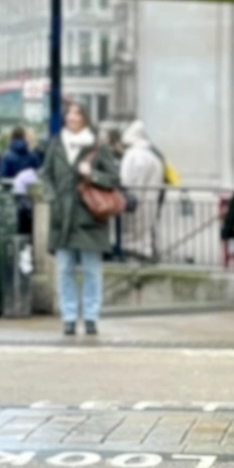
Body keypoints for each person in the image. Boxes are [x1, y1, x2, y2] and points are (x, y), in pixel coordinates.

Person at [40, 101, 120, 336]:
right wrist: (52, 198)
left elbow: (114, 179)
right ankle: (69, 317)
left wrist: (92, 174)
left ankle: (91, 316)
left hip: (90, 216)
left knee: (91, 269)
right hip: (62, 217)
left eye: (77, 113)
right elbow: (46, 175)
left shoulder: (98, 146)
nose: (72, 117)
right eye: (69, 113)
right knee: (64, 268)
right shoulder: (56, 144)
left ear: (85, 117)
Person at [119, 119, 164, 261]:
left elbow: (127, 181)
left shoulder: (133, 155)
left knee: (133, 232)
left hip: (134, 203)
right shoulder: (153, 155)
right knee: (146, 228)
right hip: (150, 202)